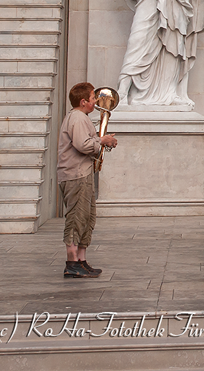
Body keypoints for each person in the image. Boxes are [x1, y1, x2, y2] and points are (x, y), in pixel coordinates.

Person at [57, 83, 118, 278]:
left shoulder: (81, 118)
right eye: (93, 99)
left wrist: (103, 141)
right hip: (75, 175)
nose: (96, 102)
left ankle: (81, 261)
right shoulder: (77, 118)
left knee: (87, 218)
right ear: (83, 102)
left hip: (82, 173)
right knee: (76, 218)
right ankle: (71, 263)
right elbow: (83, 145)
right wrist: (102, 140)